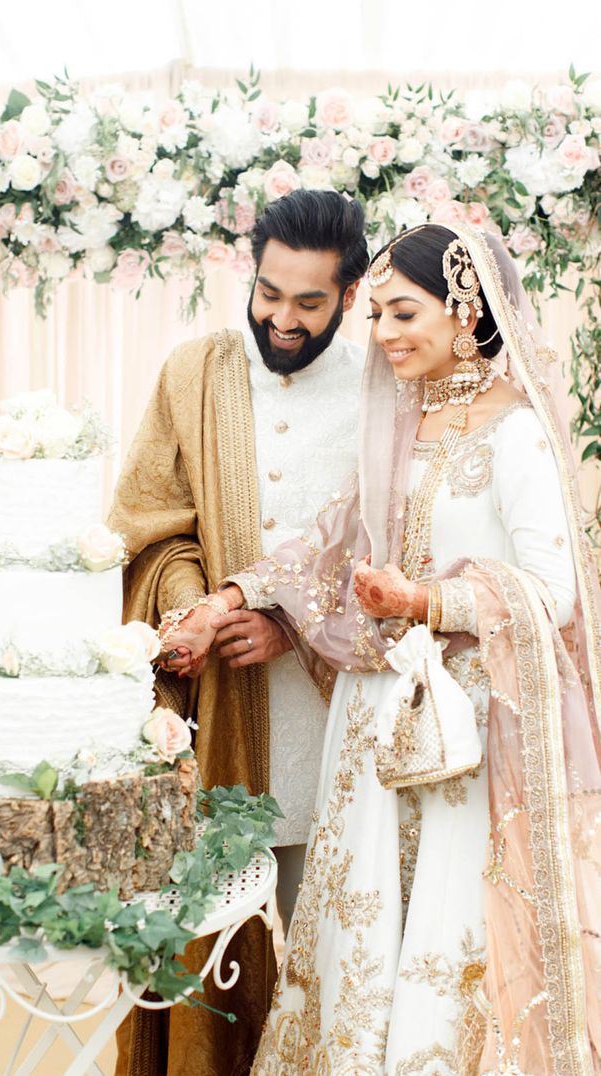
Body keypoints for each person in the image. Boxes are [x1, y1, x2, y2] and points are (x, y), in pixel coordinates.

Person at [161, 223, 601, 1071]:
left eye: (406, 312)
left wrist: (425, 600)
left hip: (465, 734)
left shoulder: (517, 434)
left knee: (445, 927)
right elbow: (326, 549)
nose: (388, 333)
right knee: (362, 934)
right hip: (369, 727)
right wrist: (225, 603)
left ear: (466, 311)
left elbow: (554, 595)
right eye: (381, 316)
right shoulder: (399, 425)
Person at [107, 189, 369, 1076]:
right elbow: (150, 519)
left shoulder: (384, 387)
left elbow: (400, 542)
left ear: (352, 293)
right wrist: (189, 603)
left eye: (309, 302)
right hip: (213, 721)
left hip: (337, 726)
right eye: (269, 293)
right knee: (210, 953)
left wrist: (292, 624)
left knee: (330, 965)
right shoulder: (195, 371)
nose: (283, 320)